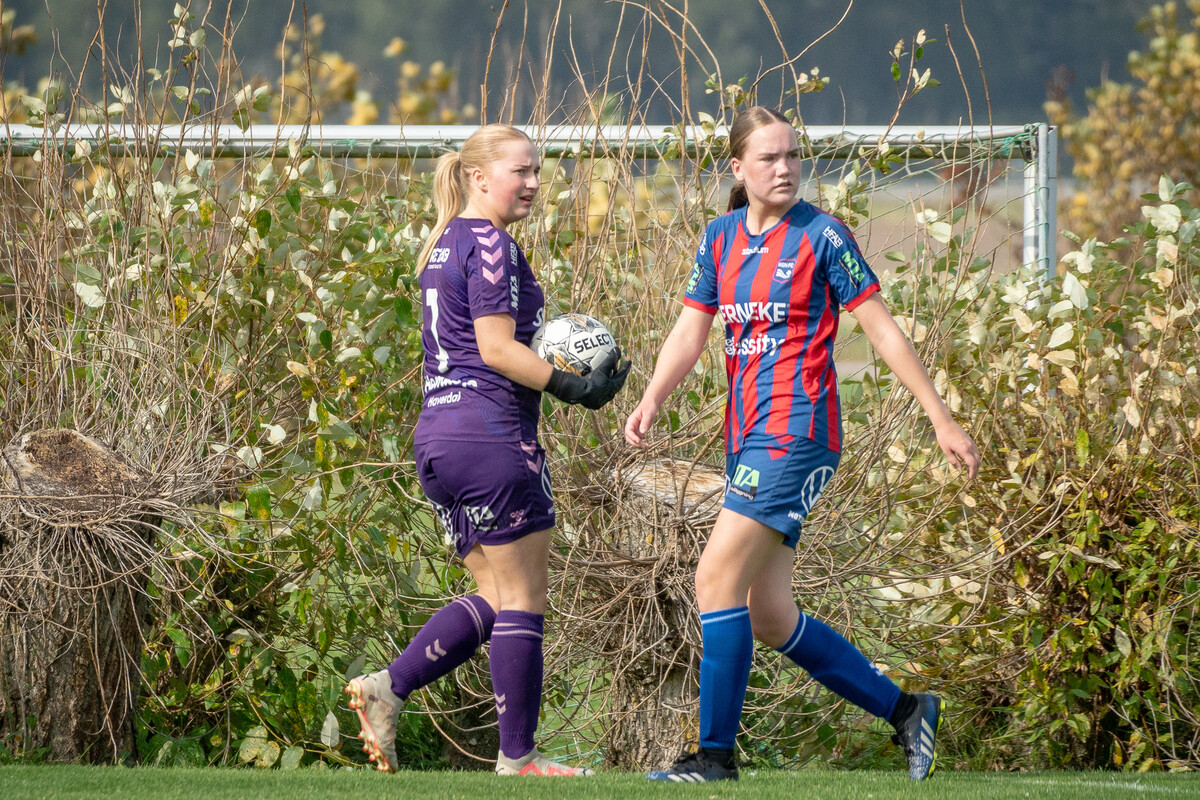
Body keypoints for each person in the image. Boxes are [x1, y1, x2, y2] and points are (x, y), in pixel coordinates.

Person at [624, 107, 980, 783]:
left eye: (792, 155)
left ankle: (715, 757)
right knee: (766, 613)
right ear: (738, 168)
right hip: (746, 435)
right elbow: (690, 331)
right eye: (769, 158)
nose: (785, 168)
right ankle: (907, 711)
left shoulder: (822, 235)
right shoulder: (720, 238)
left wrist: (940, 417)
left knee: (714, 579)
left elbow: (882, 329)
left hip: (796, 431)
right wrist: (652, 396)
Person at [346, 124, 629, 777]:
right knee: (524, 597)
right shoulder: (492, 243)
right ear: (478, 177)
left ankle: (389, 688)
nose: (533, 183)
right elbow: (497, 349)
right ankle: (519, 758)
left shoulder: (445, 241)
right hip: (491, 438)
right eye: (519, 171)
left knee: (498, 598)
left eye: (537, 171)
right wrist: (574, 386)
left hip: (439, 442)